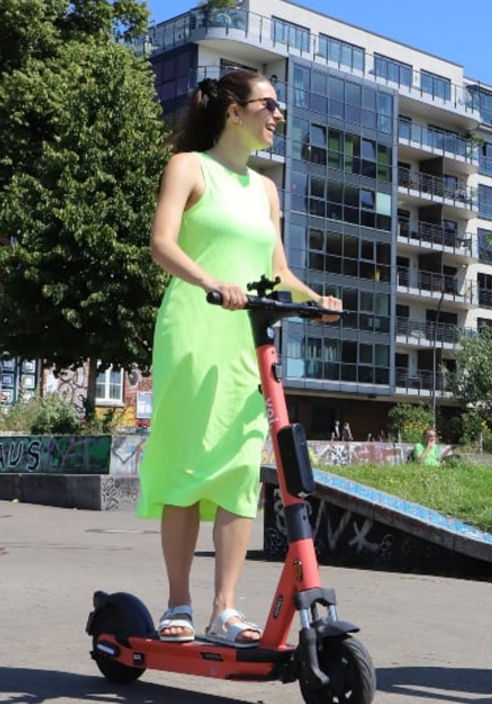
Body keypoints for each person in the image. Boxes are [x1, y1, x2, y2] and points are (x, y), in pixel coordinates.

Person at [138, 71, 341, 647]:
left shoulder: (266, 190)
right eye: (268, 105)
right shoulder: (189, 167)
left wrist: (314, 299)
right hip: (196, 327)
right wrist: (212, 280)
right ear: (234, 111)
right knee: (184, 464)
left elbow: (276, 271)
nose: (277, 115)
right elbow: (163, 243)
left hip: (247, 341)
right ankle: (178, 601)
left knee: (237, 468)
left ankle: (224, 609)